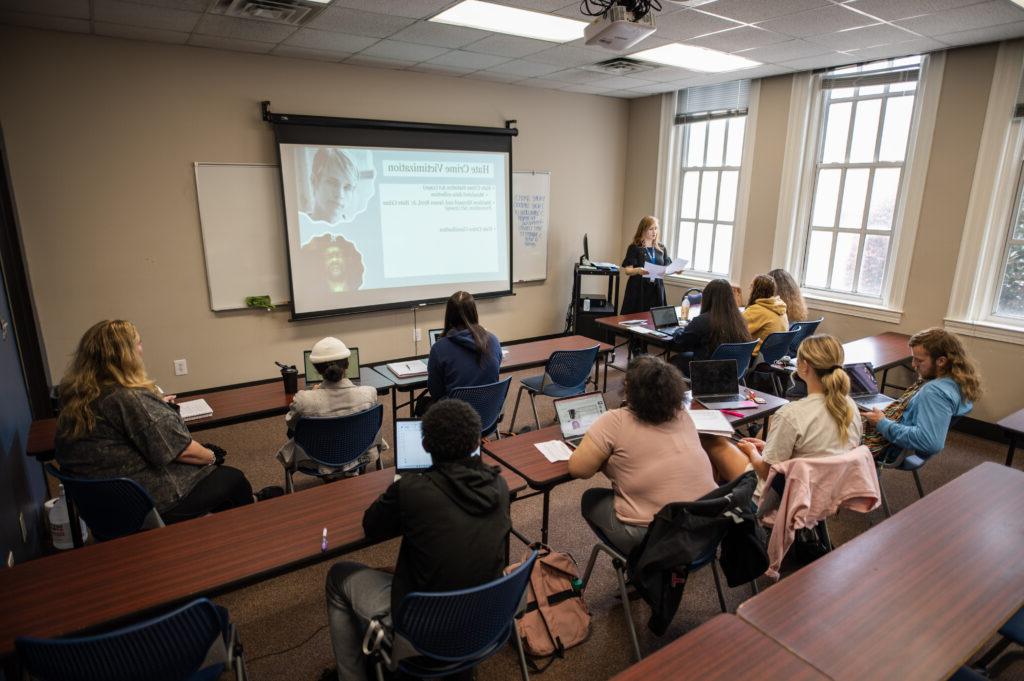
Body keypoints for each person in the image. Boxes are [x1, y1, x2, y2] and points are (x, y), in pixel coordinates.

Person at [322, 399, 510, 681]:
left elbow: (371, 526)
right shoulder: (500, 486)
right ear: (476, 441)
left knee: (338, 575)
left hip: (423, 628)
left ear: (425, 446)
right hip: (480, 621)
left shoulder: (411, 490)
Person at [54, 320, 272, 525]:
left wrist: (154, 406)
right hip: (145, 503)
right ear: (125, 354)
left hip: (100, 505)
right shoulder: (129, 398)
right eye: (138, 343)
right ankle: (247, 523)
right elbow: (181, 451)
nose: (141, 349)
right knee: (233, 479)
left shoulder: (76, 396)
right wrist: (212, 456)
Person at [568, 355, 717, 555]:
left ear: (629, 388)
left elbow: (579, 469)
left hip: (654, 537)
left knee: (591, 498)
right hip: (705, 527)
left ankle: (641, 564)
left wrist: (607, 461)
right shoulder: (682, 414)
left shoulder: (614, 420)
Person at [702, 334, 863, 501]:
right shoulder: (850, 406)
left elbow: (766, 471)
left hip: (779, 492)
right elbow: (817, 450)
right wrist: (767, 446)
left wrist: (752, 453)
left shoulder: (791, 414)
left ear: (804, 366)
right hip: (826, 489)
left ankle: (718, 506)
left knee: (713, 440)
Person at [276, 337, 386, 478]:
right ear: (347, 365)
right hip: (359, 454)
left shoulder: (304, 400)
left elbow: (292, 425)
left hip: (315, 459)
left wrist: (315, 394)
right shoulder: (369, 393)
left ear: (316, 369)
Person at [862, 328, 980, 458]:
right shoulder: (958, 380)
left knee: (841, 428)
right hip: (901, 439)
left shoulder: (934, 392)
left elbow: (930, 443)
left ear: (941, 361)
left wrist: (882, 423)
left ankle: (862, 472)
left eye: (919, 360)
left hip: (891, 447)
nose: (913, 365)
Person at [419, 291, 501, 414]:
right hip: (488, 416)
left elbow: (436, 393)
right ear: (474, 313)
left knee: (421, 404)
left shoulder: (439, 349)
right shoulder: (493, 340)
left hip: (456, 421)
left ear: (449, 316)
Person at [669, 278, 752, 377]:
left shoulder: (702, 321)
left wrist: (678, 330)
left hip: (706, 372)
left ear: (707, 297)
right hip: (732, 371)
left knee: (674, 360)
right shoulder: (739, 320)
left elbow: (681, 340)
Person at [620, 216, 671, 314]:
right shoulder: (634, 247)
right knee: (635, 320)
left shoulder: (661, 248)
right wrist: (638, 270)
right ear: (643, 230)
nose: (654, 232)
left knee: (655, 320)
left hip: (656, 288)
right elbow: (628, 270)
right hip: (639, 288)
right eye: (651, 229)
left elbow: (666, 267)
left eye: (656, 228)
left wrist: (676, 270)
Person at [742, 274, 789, 355]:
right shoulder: (780, 308)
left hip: (753, 358)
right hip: (772, 356)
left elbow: (735, 330)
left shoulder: (757, 311)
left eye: (751, 286)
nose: (749, 289)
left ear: (755, 290)